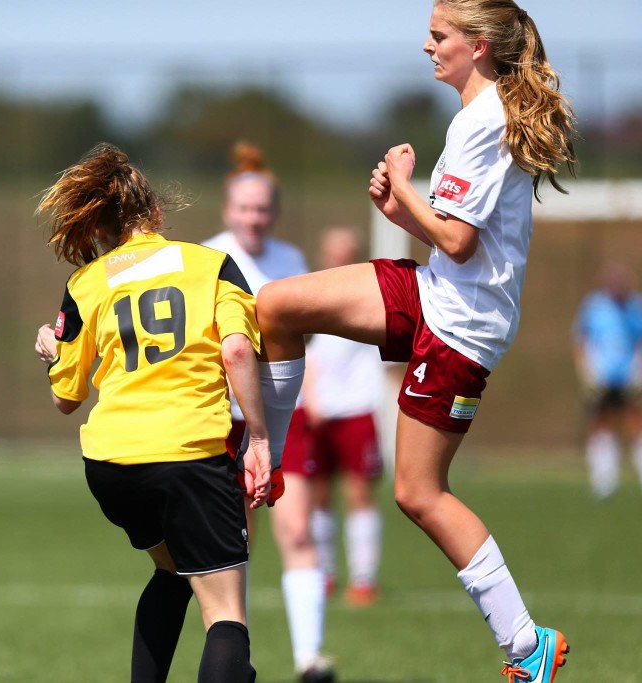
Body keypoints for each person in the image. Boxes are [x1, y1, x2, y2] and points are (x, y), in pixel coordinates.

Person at [251, 2, 578, 682]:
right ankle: (270, 462)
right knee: (277, 305)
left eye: (439, 36)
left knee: (418, 492)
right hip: (436, 293)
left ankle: (527, 643)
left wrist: (405, 187)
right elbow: (453, 241)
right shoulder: (478, 117)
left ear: (479, 46)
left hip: (462, 327)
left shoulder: (484, 122)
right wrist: (398, 209)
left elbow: (459, 241)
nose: (426, 45)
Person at [33, 142, 272, 683]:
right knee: (226, 615)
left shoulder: (86, 282)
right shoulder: (212, 265)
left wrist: (53, 354)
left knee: (171, 574)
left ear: (101, 227)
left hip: (112, 467)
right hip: (188, 454)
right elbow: (237, 350)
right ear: (156, 213)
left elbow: (65, 398)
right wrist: (258, 438)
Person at [201, 142, 334, 683]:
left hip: (282, 413)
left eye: (262, 208)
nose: (253, 217)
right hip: (222, 418)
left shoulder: (291, 262)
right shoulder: (206, 260)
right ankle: (238, 662)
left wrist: (317, 388)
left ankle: (310, 659)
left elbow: (308, 341)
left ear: (273, 212)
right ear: (228, 210)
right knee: (235, 544)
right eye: (244, 208)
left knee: (298, 529)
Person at [302, 227, 386, 607]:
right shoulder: (307, 295)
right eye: (334, 253)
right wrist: (309, 398)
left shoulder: (373, 295)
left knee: (359, 492)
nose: (340, 259)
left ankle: (364, 578)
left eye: (347, 252)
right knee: (317, 495)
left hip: (357, 410)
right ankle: (324, 573)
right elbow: (302, 353)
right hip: (318, 412)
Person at [573, 263, 642, 499]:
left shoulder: (635, 307)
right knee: (601, 423)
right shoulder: (594, 307)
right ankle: (604, 478)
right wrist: (587, 372)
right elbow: (581, 340)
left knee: (636, 421)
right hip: (601, 377)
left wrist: (638, 370)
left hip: (628, 377)